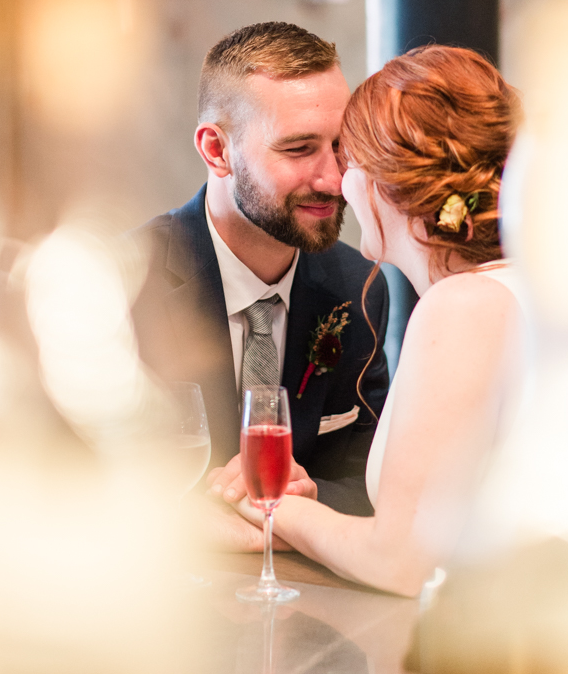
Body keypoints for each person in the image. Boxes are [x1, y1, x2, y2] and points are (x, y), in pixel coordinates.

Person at [209, 44, 525, 594]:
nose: (338, 181)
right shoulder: (513, 286)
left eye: (347, 157)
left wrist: (267, 503)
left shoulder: (461, 306)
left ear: (388, 180)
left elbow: (402, 561)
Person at [131, 22, 389, 552]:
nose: (332, 179)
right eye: (298, 149)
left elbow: (370, 466)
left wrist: (307, 495)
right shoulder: (123, 287)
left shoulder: (357, 287)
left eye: (339, 146)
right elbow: (70, 481)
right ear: (216, 150)